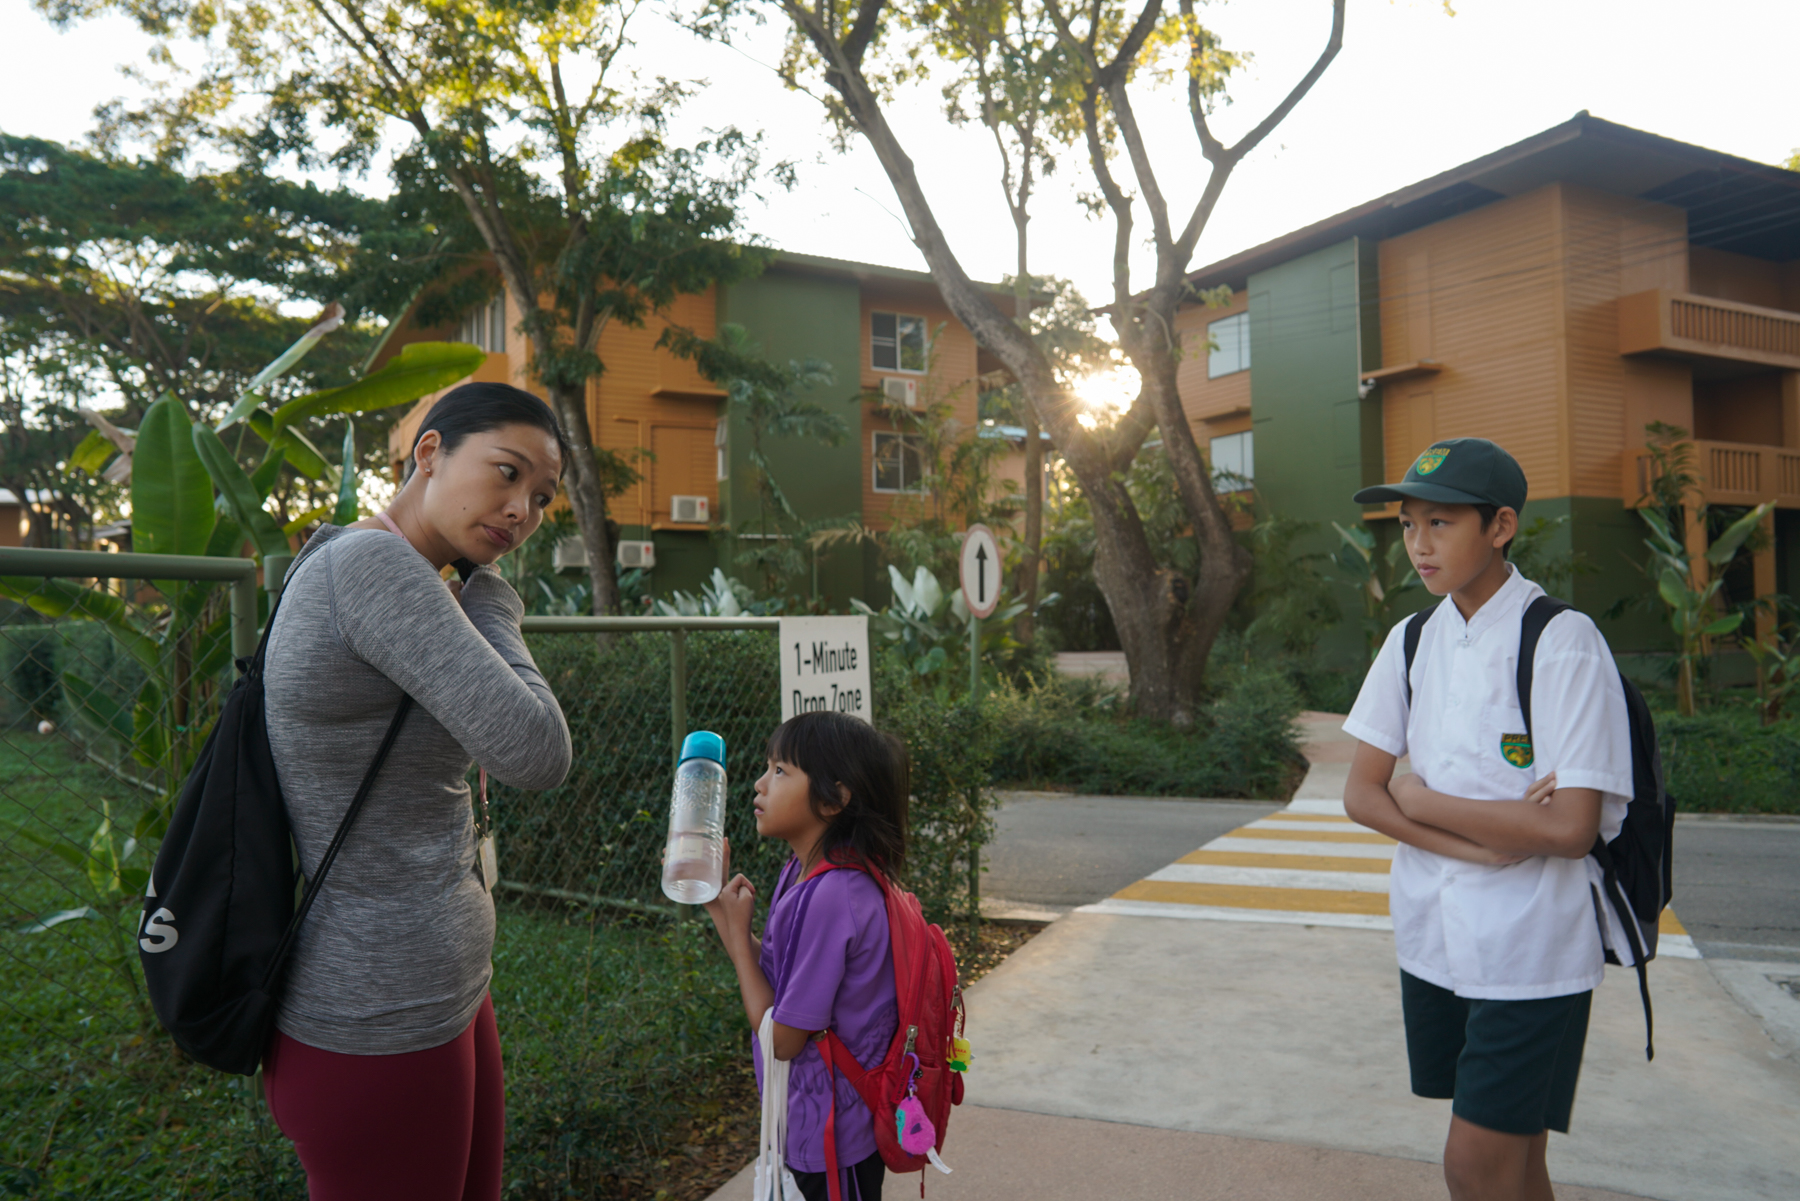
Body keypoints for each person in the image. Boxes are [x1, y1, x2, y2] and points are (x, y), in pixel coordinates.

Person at [260, 382, 574, 1201]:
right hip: (377, 1006)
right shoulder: (373, 566)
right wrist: (496, 603)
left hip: (437, 984)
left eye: (540, 496)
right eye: (505, 473)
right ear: (429, 452)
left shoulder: (409, 572)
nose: (521, 511)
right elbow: (536, 748)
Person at [1341, 437, 1634, 1201]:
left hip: (1532, 949)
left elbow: (1568, 828)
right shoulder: (1412, 639)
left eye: (1440, 523)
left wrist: (1426, 798)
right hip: (1433, 937)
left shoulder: (1561, 640)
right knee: (1517, 1158)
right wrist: (1481, 840)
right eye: (1408, 524)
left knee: (1472, 1164)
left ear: (1500, 526)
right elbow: (1364, 792)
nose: (1418, 544)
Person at [703, 711, 909, 1201]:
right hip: (806, 1123)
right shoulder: (802, 874)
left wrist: (737, 931)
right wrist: (719, 908)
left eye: (780, 771)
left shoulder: (834, 896)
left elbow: (783, 1038)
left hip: (837, 1142)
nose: (759, 783)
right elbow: (776, 981)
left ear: (835, 798)